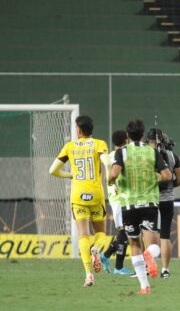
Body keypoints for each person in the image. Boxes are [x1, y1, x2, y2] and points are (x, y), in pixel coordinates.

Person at [108, 119, 172, 294]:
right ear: (142, 134)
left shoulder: (122, 153)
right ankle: (149, 255)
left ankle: (144, 286)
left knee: (134, 243)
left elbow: (113, 174)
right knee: (154, 244)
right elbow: (167, 175)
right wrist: (154, 178)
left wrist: (111, 179)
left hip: (129, 204)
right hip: (149, 202)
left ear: (128, 136)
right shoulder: (152, 152)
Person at [49, 115, 110, 287]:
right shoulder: (99, 143)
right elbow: (107, 162)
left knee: (84, 235)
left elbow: (52, 170)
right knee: (101, 234)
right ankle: (96, 249)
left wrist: (71, 175)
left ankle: (89, 275)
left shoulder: (69, 146)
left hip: (78, 196)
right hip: (96, 194)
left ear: (78, 129)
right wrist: (108, 175)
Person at [146, 128, 180, 278]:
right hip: (167, 199)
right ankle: (165, 270)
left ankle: (149, 266)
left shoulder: (145, 155)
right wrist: (170, 186)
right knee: (165, 236)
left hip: (151, 199)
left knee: (149, 233)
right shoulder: (171, 155)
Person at [100, 130, 133, 276]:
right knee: (124, 232)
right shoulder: (124, 156)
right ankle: (118, 267)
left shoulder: (110, 156)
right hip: (120, 198)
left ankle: (106, 256)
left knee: (125, 232)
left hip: (117, 198)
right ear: (127, 140)